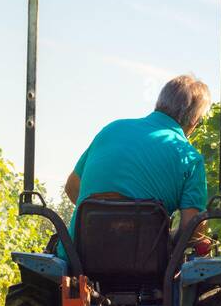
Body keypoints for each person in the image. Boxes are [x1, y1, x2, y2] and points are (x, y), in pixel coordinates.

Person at [61, 74, 212, 258]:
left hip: (79, 257)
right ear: (194, 120)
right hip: (147, 265)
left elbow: (72, 188)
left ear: (159, 103)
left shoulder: (112, 129)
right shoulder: (190, 157)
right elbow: (192, 229)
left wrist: (104, 220)